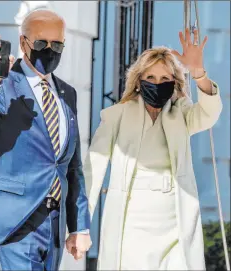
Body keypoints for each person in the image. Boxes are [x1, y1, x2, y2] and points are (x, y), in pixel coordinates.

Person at [0, 9, 91, 271]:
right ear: (23, 43)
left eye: (57, 44)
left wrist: (79, 226)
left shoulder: (68, 93)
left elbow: (71, 167)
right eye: (42, 43)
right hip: (17, 219)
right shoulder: (4, 85)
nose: (50, 50)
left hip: (54, 219)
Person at [84, 28, 222, 270]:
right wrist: (80, 226)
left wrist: (198, 73)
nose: (157, 84)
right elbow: (92, 170)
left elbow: (210, 114)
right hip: (131, 221)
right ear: (138, 81)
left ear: (174, 83)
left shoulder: (182, 113)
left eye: (165, 79)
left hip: (174, 219)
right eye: (151, 78)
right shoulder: (117, 115)